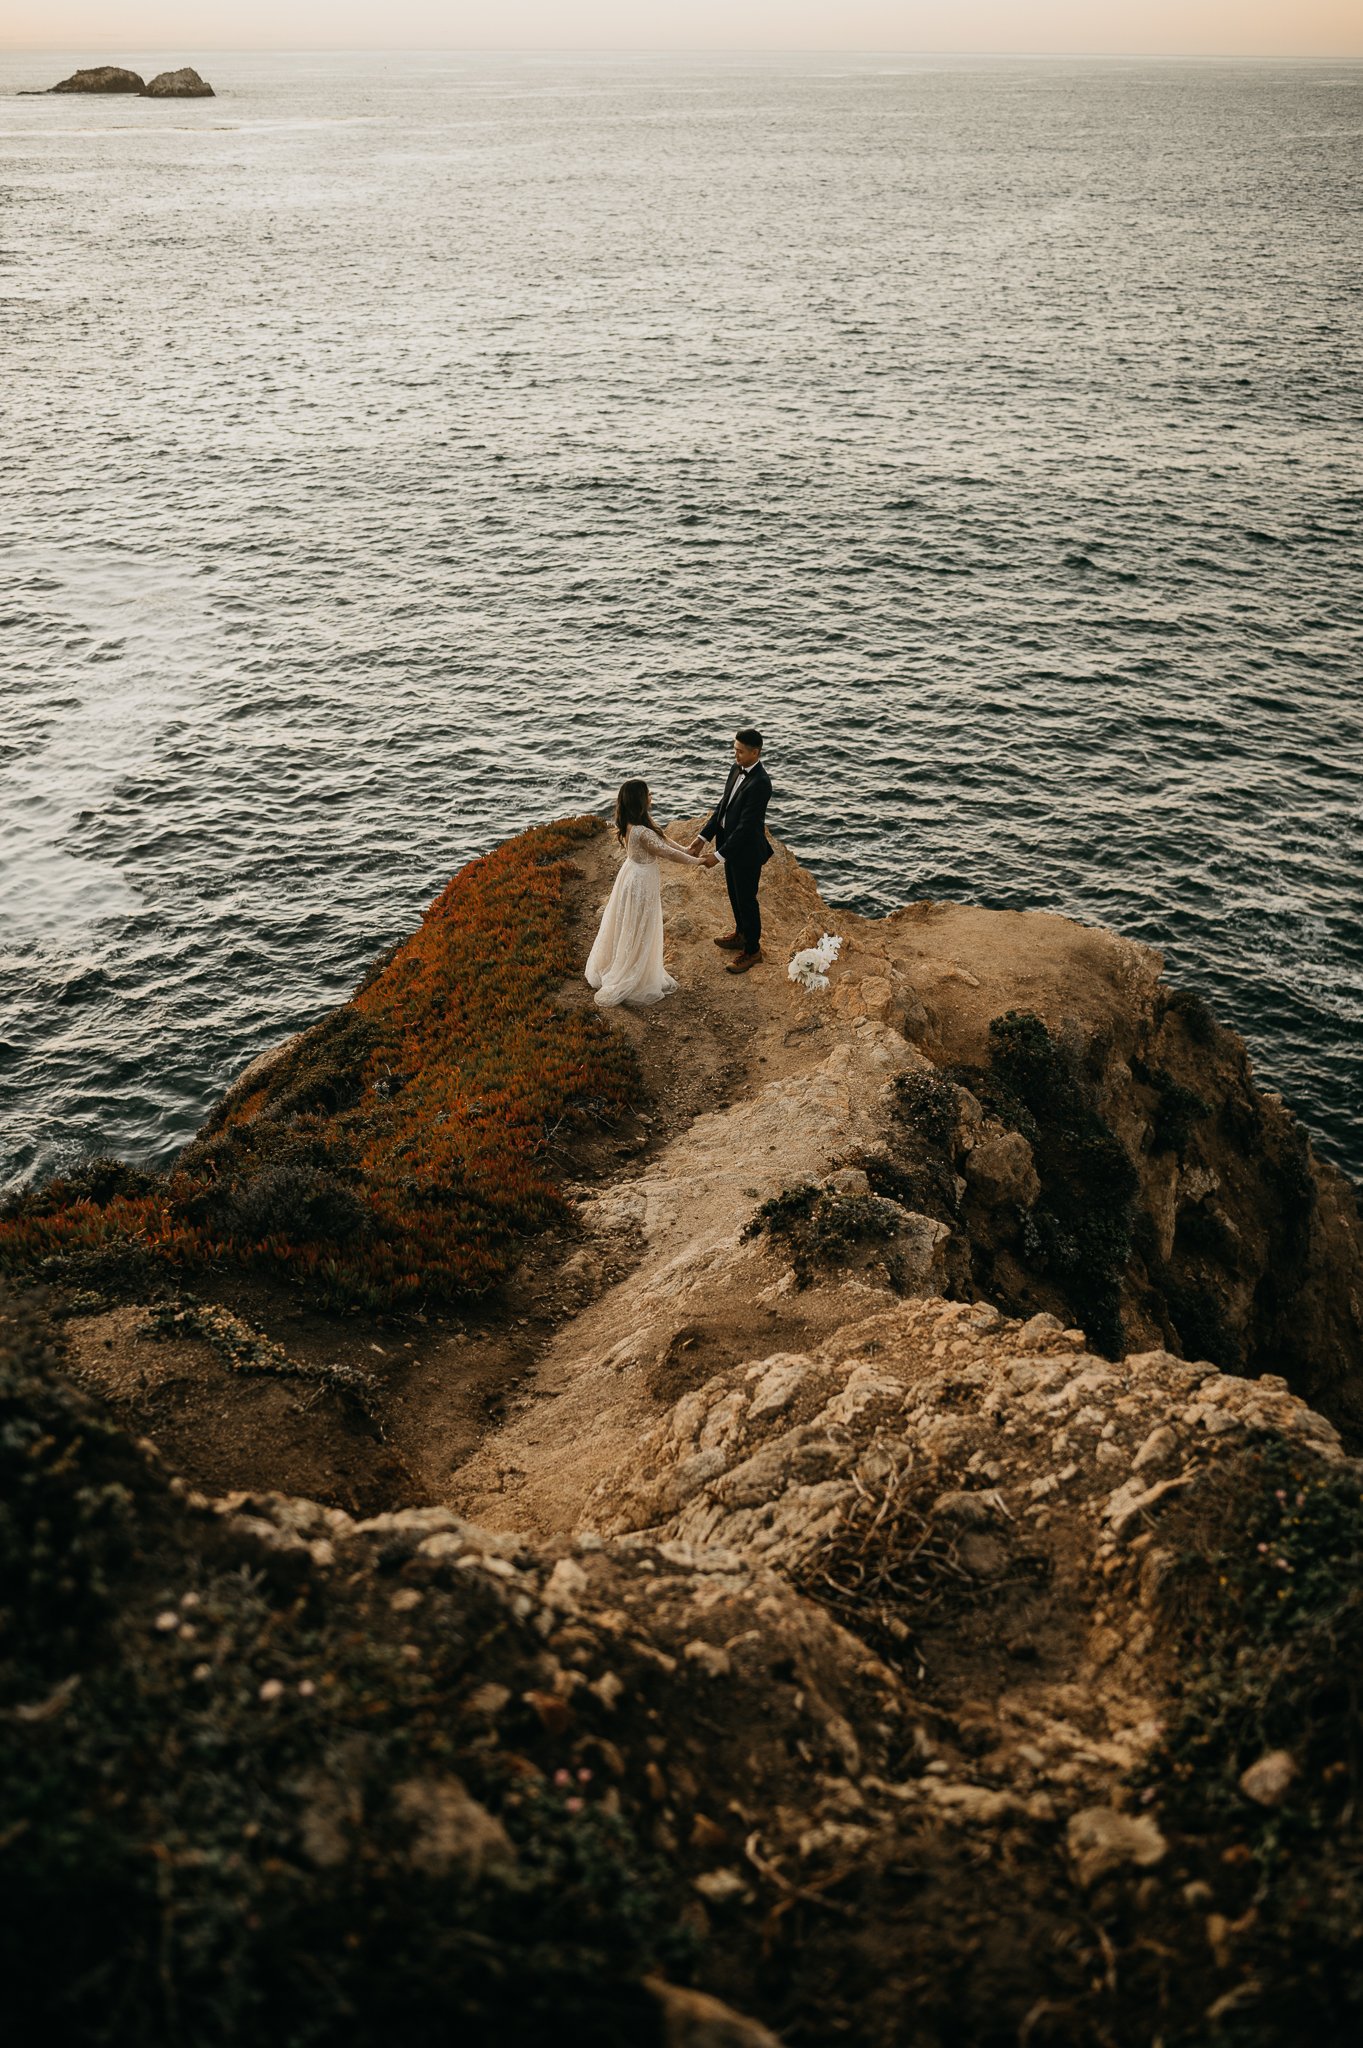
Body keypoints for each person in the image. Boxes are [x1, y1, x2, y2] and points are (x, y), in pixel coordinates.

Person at [585, 779, 713, 1007]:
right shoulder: (642, 832)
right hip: (640, 881)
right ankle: (635, 970)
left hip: (632, 874)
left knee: (630, 922)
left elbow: (663, 838)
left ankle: (632, 962)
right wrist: (698, 861)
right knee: (640, 923)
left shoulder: (633, 824)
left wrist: (685, 848)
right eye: (648, 794)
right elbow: (666, 852)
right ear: (640, 801)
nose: (651, 796)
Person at [687, 726, 772, 974]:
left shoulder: (761, 784)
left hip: (746, 851)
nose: (735, 755)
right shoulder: (736, 769)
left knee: (747, 900)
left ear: (755, 753)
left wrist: (718, 855)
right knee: (735, 895)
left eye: (740, 752)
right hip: (730, 846)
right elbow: (722, 807)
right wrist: (704, 837)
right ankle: (741, 934)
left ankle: (753, 950)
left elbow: (746, 827)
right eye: (734, 750)